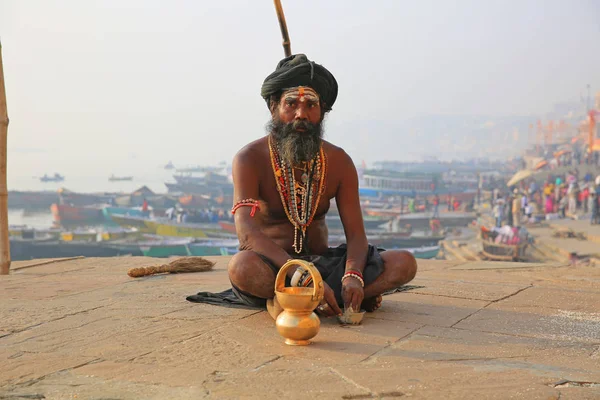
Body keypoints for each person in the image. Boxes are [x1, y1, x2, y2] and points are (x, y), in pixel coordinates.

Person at [226, 54, 417, 318]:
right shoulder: (249, 158)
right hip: (276, 267)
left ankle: (315, 298)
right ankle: (318, 296)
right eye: (291, 103)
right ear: (274, 107)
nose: (301, 114)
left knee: (404, 263)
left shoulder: (338, 161)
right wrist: (299, 272)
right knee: (241, 268)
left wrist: (353, 275)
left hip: (325, 264)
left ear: (323, 111)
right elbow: (246, 233)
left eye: (311, 105)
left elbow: (357, 236)